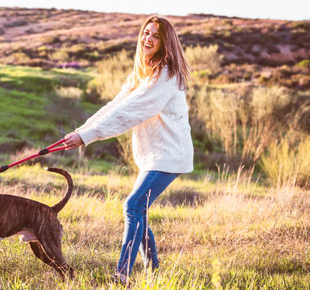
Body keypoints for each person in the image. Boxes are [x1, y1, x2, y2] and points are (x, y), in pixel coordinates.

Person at [64, 15, 193, 284]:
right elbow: (117, 105)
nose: (148, 39)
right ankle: (154, 273)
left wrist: (88, 137)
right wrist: (83, 130)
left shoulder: (166, 76)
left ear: (165, 42)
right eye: (146, 33)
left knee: (132, 207)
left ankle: (122, 275)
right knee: (139, 210)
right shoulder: (142, 74)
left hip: (169, 156)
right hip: (153, 157)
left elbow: (133, 112)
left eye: (156, 36)